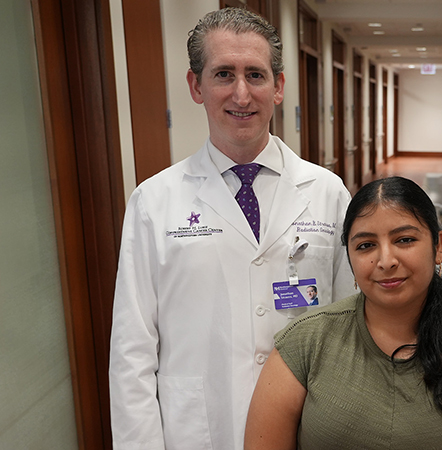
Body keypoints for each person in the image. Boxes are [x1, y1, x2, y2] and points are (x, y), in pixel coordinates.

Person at [108, 8, 353, 449]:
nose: (241, 94)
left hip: (305, 427)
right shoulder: (154, 203)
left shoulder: (327, 193)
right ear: (195, 86)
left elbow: (354, 325)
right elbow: (132, 353)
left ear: (278, 87)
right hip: (199, 431)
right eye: (223, 74)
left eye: (255, 75)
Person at [244, 177, 442, 450]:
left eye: (404, 239)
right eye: (366, 245)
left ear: (438, 246)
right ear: (350, 258)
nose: (386, 261)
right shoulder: (303, 344)